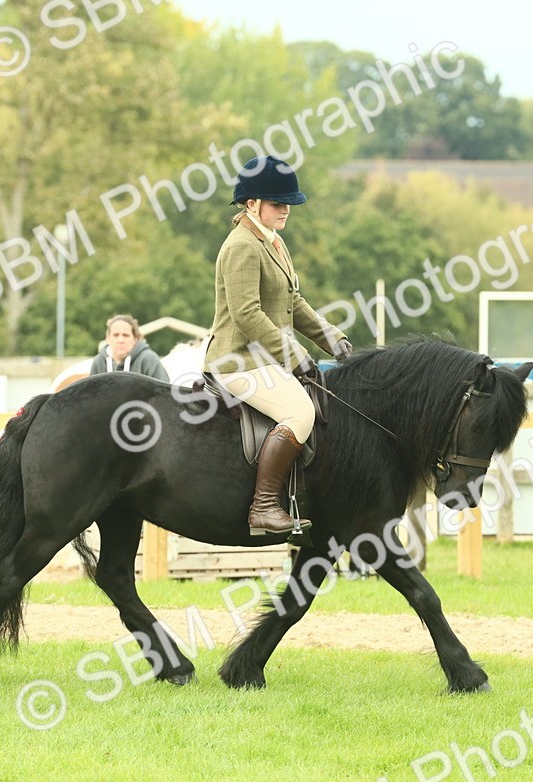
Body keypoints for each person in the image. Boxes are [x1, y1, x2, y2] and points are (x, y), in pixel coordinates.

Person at [204, 155, 351, 536]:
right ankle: (264, 508)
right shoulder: (242, 247)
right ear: (252, 204)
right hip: (238, 361)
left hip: (264, 359)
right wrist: (296, 355)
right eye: (277, 203)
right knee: (300, 412)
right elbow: (247, 314)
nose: (285, 209)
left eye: (288, 203)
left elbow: (293, 303)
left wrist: (331, 337)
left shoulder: (273, 241)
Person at [53, 314, 169, 392]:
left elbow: (164, 394)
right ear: (108, 338)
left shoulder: (149, 359)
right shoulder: (99, 361)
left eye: (125, 335)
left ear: (135, 338)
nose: (120, 340)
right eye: (116, 335)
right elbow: (91, 396)